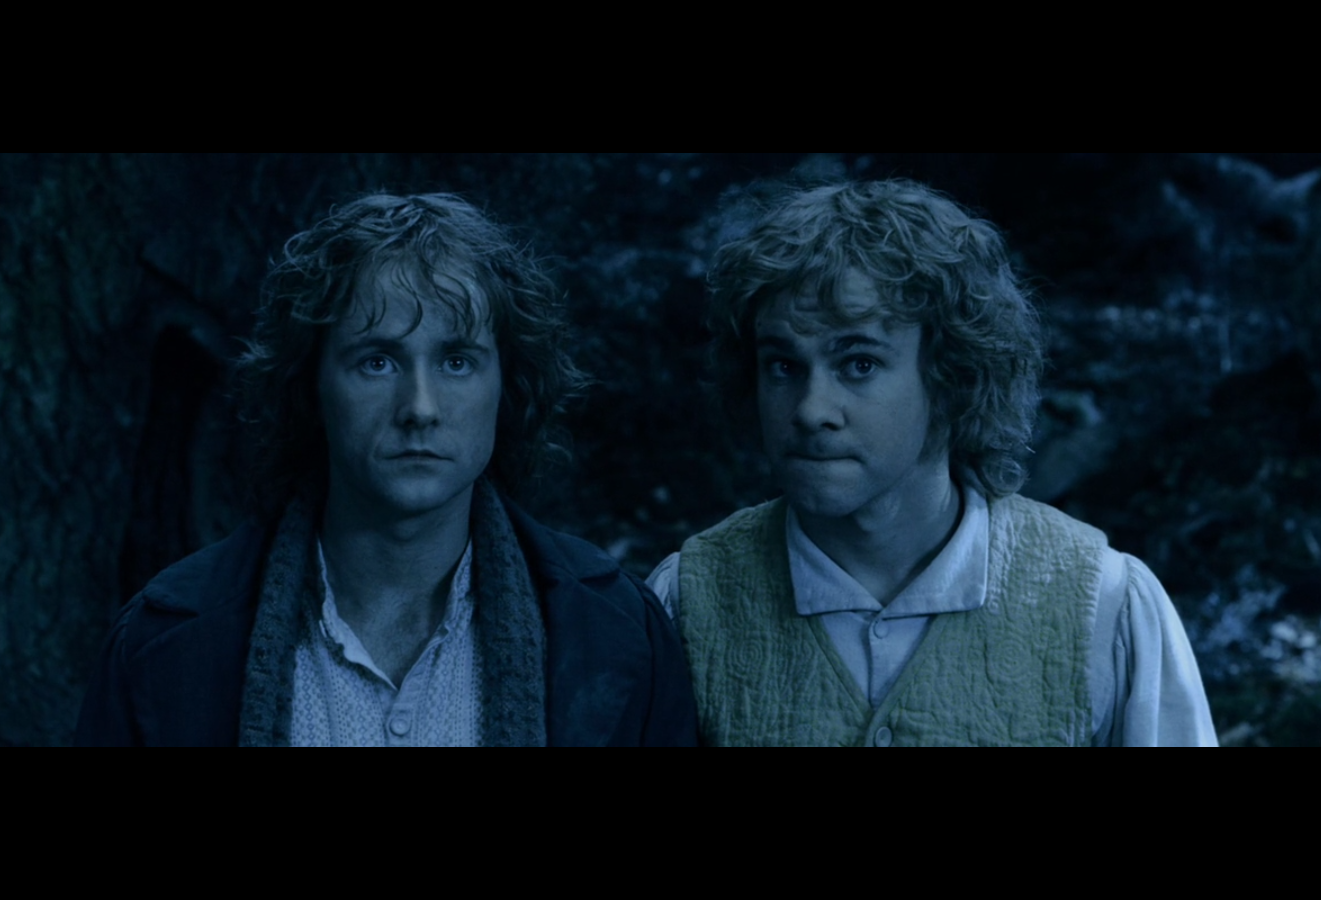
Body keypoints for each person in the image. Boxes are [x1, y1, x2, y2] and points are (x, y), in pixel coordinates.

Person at [78, 193, 696, 746]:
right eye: (377, 362)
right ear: (311, 386)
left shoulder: (618, 633)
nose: (420, 408)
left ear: (506, 386)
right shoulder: (164, 645)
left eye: (457, 361)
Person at [648, 180, 1216, 747]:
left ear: (950, 378)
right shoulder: (687, 602)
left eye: (859, 364)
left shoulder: (1103, 603)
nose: (810, 409)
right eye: (783, 366)